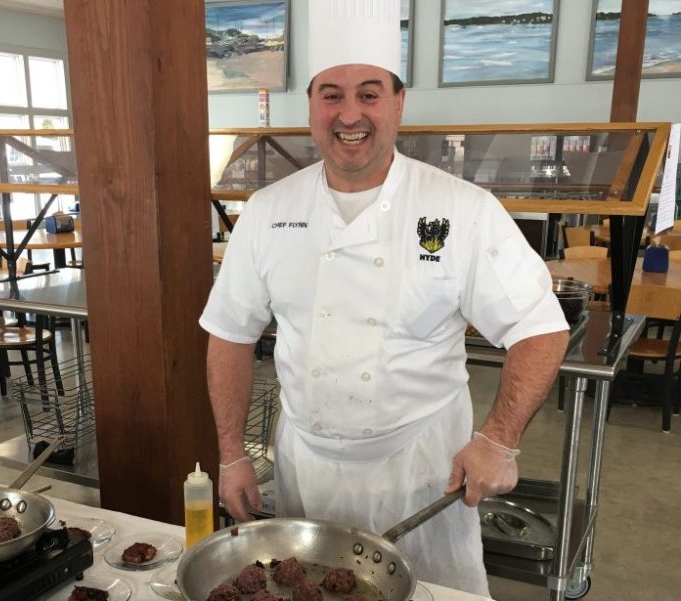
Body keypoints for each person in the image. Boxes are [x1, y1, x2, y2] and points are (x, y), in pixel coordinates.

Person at [199, 0, 569, 595]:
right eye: (331, 94)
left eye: (369, 94)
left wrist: (499, 440)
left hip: (423, 473)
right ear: (311, 106)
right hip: (306, 468)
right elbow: (230, 333)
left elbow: (541, 328)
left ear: (399, 103)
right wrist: (231, 454)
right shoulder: (268, 212)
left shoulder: (461, 210)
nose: (350, 114)